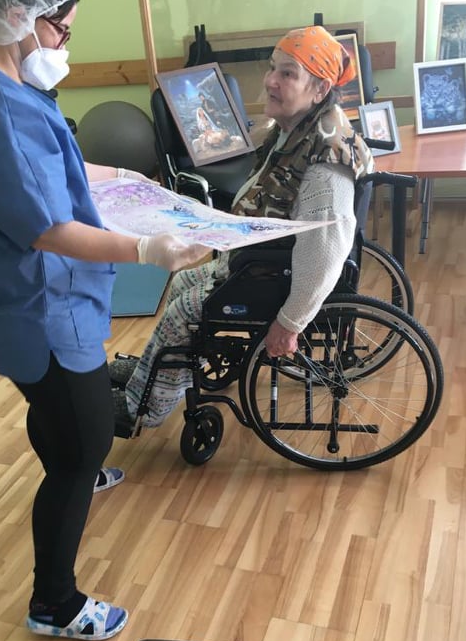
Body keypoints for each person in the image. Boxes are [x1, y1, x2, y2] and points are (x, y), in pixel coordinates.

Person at [0, 0, 207, 641]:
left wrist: (128, 182)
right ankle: (53, 603)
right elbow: (49, 228)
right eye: (61, 30)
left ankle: (72, 466)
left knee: (57, 417)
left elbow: (55, 164)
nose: (64, 47)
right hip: (39, 307)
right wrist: (147, 249)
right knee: (86, 442)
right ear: (19, 15)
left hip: (25, 298)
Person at [110, 25, 374, 427]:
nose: (270, 80)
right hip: (259, 260)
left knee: (181, 312)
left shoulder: (326, 166)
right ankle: (155, 374)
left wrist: (289, 324)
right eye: (273, 68)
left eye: (287, 74)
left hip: (274, 278)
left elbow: (325, 253)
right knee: (181, 283)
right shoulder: (296, 129)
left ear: (320, 89)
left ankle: (141, 409)